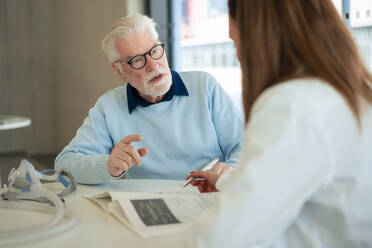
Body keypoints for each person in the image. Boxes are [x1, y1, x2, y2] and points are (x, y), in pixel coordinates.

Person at [186, 0, 372, 247]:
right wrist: (227, 180)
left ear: (258, 35)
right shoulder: (348, 91)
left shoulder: (293, 104)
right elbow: (305, 181)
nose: (239, 56)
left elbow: (221, 238)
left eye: (236, 42)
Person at [54, 14, 243, 184]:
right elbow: (64, 164)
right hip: (148, 206)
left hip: (208, 198)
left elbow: (243, 145)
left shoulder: (205, 86)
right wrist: (107, 165)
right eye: (137, 60)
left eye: (154, 51)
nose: (152, 65)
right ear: (119, 70)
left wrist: (228, 174)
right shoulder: (109, 107)